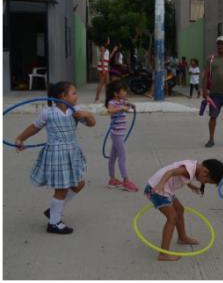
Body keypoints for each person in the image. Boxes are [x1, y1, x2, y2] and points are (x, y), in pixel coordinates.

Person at [13, 81, 96, 235]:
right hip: (57, 154)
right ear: (62, 96)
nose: (76, 96)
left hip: (72, 152)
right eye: (74, 93)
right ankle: (54, 222)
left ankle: (53, 211)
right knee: (62, 188)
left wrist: (88, 115)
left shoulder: (75, 111)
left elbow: (92, 124)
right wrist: (20, 139)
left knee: (79, 183)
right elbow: (34, 128)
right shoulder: (48, 112)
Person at [142, 158, 223, 261]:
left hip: (167, 189)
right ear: (205, 172)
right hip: (157, 189)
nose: (205, 183)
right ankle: (163, 253)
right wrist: (161, 184)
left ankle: (182, 237)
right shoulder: (189, 169)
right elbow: (171, 172)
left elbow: (183, 177)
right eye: (207, 181)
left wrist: (190, 186)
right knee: (172, 217)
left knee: (179, 210)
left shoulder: (195, 167)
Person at [104, 79, 137, 192]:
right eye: (124, 91)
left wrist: (130, 105)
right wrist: (122, 108)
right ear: (116, 93)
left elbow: (125, 106)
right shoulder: (112, 103)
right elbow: (109, 110)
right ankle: (126, 181)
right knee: (122, 157)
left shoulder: (121, 101)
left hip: (119, 134)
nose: (126, 93)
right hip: (116, 134)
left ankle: (112, 179)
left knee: (113, 157)